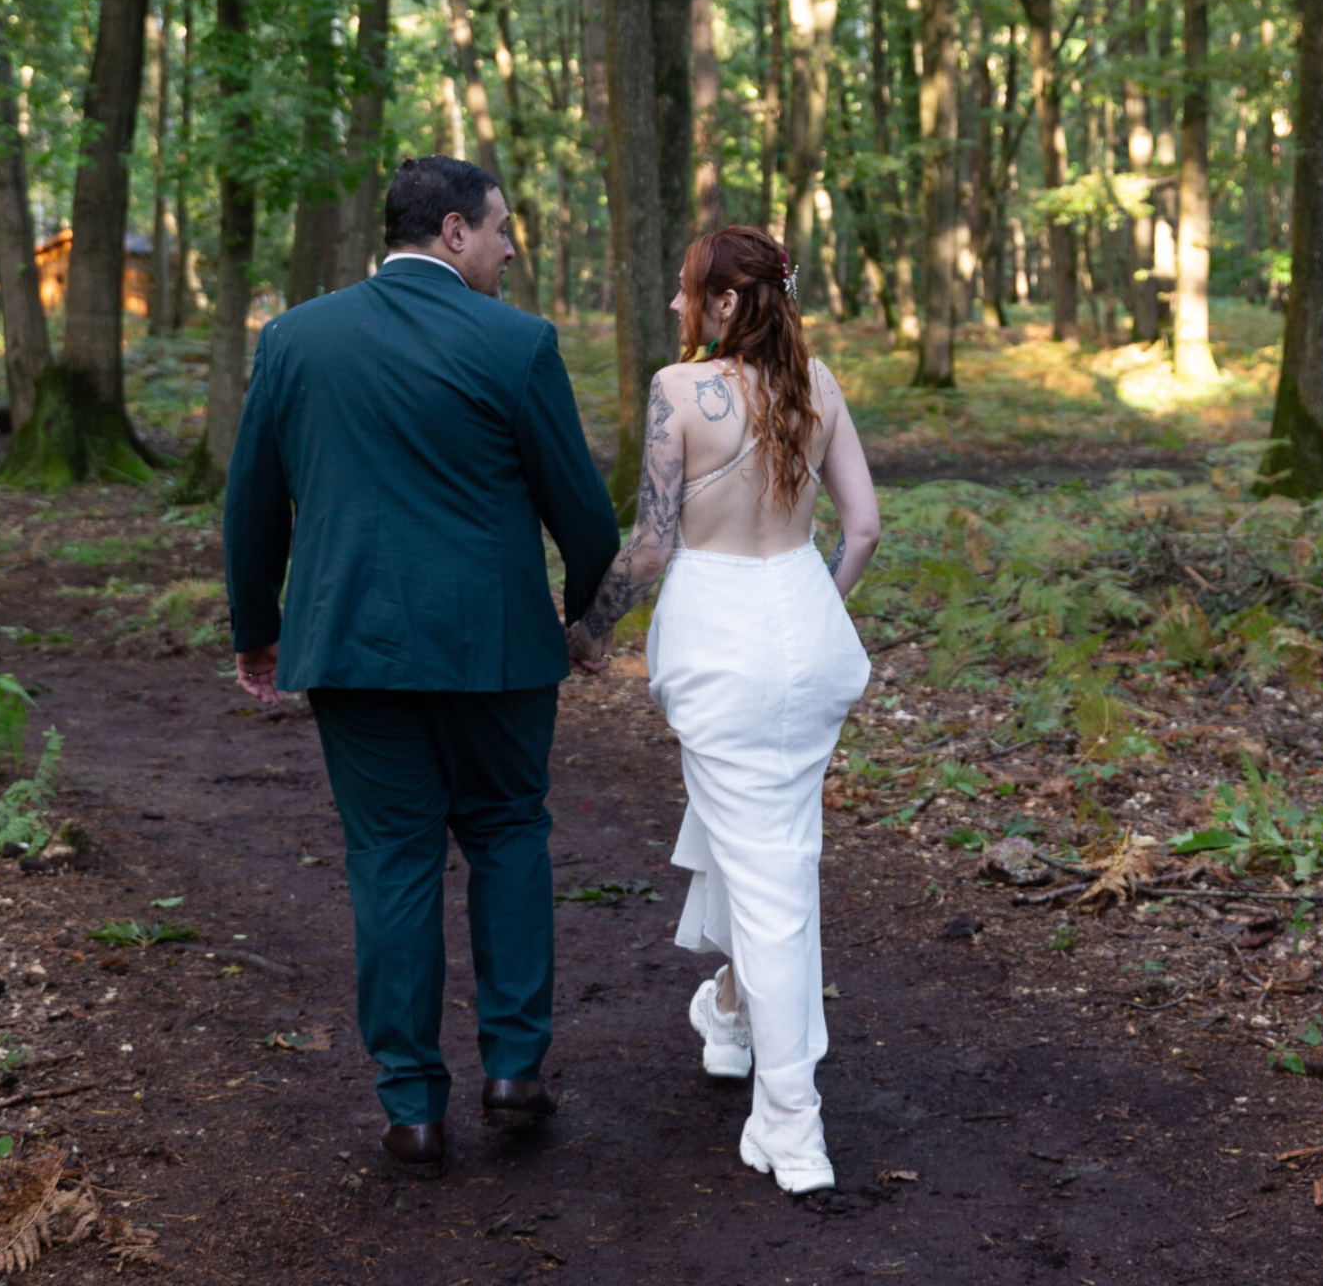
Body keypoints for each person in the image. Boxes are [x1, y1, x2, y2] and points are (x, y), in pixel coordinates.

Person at [224, 156, 620, 1178]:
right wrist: (585, 619)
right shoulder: (518, 343)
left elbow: (253, 505)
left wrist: (256, 628)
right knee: (508, 840)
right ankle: (514, 1073)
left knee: (390, 861)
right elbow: (581, 511)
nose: (509, 249)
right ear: (452, 230)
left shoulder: (295, 339)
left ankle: (410, 1106)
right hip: (495, 652)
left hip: (352, 647)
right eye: (500, 232)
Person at [568, 225, 880, 1195]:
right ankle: (731, 1013)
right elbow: (864, 530)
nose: (675, 307)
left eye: (688, 290)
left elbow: (652, 549)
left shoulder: (680, 392)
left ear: (729, 303)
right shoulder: (818, 386)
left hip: (720, 642)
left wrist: (585, 630)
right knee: (756, 827)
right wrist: (812, 605)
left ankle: (792, 1123)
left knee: (776, 877)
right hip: (806, 624)